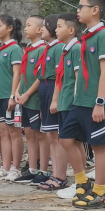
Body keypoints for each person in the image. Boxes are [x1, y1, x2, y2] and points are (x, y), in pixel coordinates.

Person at [60, 0, 105, 209]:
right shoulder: (86, 37)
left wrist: (100, 102)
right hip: (80, 100)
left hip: (96, 102)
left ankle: (100, 192)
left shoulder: (102, 36)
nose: (77, 10)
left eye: (81, 6)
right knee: (66, 138)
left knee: (99, 146)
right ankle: (82, 181)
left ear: (94, 10)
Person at [45, 13, 80, 194]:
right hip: (65, 102)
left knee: (74, 143)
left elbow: (77, 80)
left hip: (72, 103)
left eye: (59, 26)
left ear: (71, 30)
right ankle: (79, 182)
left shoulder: (75, 49)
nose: (55, 30)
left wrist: (75, 104)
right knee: (71, 142)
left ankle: (80, 182)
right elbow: (61, 79)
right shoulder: (66, 50)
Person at [0, 15, 24, 181]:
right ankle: (5, 166)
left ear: (10, 28)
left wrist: (12, 95)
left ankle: (16, 168)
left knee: (14, 133)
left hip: (8, 96)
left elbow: (18, 73)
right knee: (2, 132)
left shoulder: (14, 48)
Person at [31, 14, 63, 188]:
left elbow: (59, 76)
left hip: (52, 89)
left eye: (44, 26)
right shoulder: (48, 48)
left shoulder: (58, 48)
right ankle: (55, 175)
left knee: (56, 137)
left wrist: (55, 99)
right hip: (44, 90)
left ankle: (60, 176)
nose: (42, 29)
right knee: (51, 136)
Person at [14, 16, 46, 183]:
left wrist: (27, 93)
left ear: (40, 29)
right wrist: (18, 91)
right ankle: (32, 169)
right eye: (25, 25)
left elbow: (40, 76)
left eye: (29, 25)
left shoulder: (42, 49)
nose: (25, 28)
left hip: (34, 99)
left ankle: (43, 170)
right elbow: (23, 74)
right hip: (25, 98)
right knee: (29, 133)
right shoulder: (29, 49)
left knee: (39, 134)